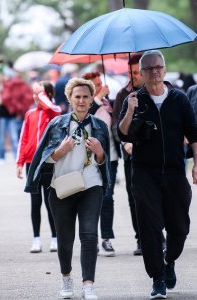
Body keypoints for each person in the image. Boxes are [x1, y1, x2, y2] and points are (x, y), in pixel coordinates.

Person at [118, 50, 197, 299]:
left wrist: (196, 164)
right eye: (149, 68)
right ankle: (158, 278)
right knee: (150, 227)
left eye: (158, 67)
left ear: (164, 69)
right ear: (140, 74)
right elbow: (122, 134)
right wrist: (130, 110)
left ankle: (169, 260)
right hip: (144, 172)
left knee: (180, 227)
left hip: (175, 171)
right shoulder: (133, 99)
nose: (154, 71)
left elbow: (194, 133)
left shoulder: (179, 99)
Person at [25, 77, 111, 300]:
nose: (81, 101)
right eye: (77, 97)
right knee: (65, 238)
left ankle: (88, 285)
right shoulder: (56, 124)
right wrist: (60, 152)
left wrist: (100, 152)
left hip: (92, 186)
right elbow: (42, 158)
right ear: (70, 99)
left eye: (85, 97)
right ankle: (66, 278)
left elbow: (104, 162)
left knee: (90, 235)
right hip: (61, 187)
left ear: (92, 99)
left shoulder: (99, 126)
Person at [16, 81, 61, 253]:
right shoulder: (29, 114)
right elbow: (23, 139)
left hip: (49, 163)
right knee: (35, 202)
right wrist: (19, 162)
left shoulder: (54, 112)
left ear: (49, 94)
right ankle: (36, 239)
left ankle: (55, 238)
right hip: (31, 163)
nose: (36, 97)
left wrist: (46, 100)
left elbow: (56, 110)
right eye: (34, 94)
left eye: (40, 93)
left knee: (51, 202)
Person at [82, 71, 119, 257]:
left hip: (111, 157)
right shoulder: (86, 103)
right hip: (91, 158)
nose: (99, 86)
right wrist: (97, 96)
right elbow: (86, 116)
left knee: (107, 197)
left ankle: (106, 238)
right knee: (91, 198)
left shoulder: (107, 103)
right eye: (95, 85)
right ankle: (91, 238)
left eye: (99, 83)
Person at [112, 53, 144, 255]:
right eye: (130, 73)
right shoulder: (122, 95)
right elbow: (116, 124)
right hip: (130, 156)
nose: (132, 76)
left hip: (153, 155)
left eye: (136, 72)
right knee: (134, 199)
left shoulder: (155, 92)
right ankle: (141, 238)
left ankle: (159, 236)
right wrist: (124, 142)